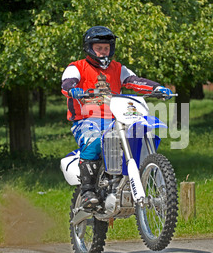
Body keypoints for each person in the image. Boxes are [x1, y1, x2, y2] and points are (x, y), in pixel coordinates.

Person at [61, 26, 172, 209]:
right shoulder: (76, 67)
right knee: (95, 140)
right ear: (89, 48)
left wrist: (156, 88)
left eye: (106, 48)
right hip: (86, 120)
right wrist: (74, 90)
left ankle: (140, 180)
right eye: (99, 48)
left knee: (139, 134)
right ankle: (88, 191)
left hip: (117, 118)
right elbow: (67, 83)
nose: (103, 52)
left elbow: (135, 81)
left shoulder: (118, 68)